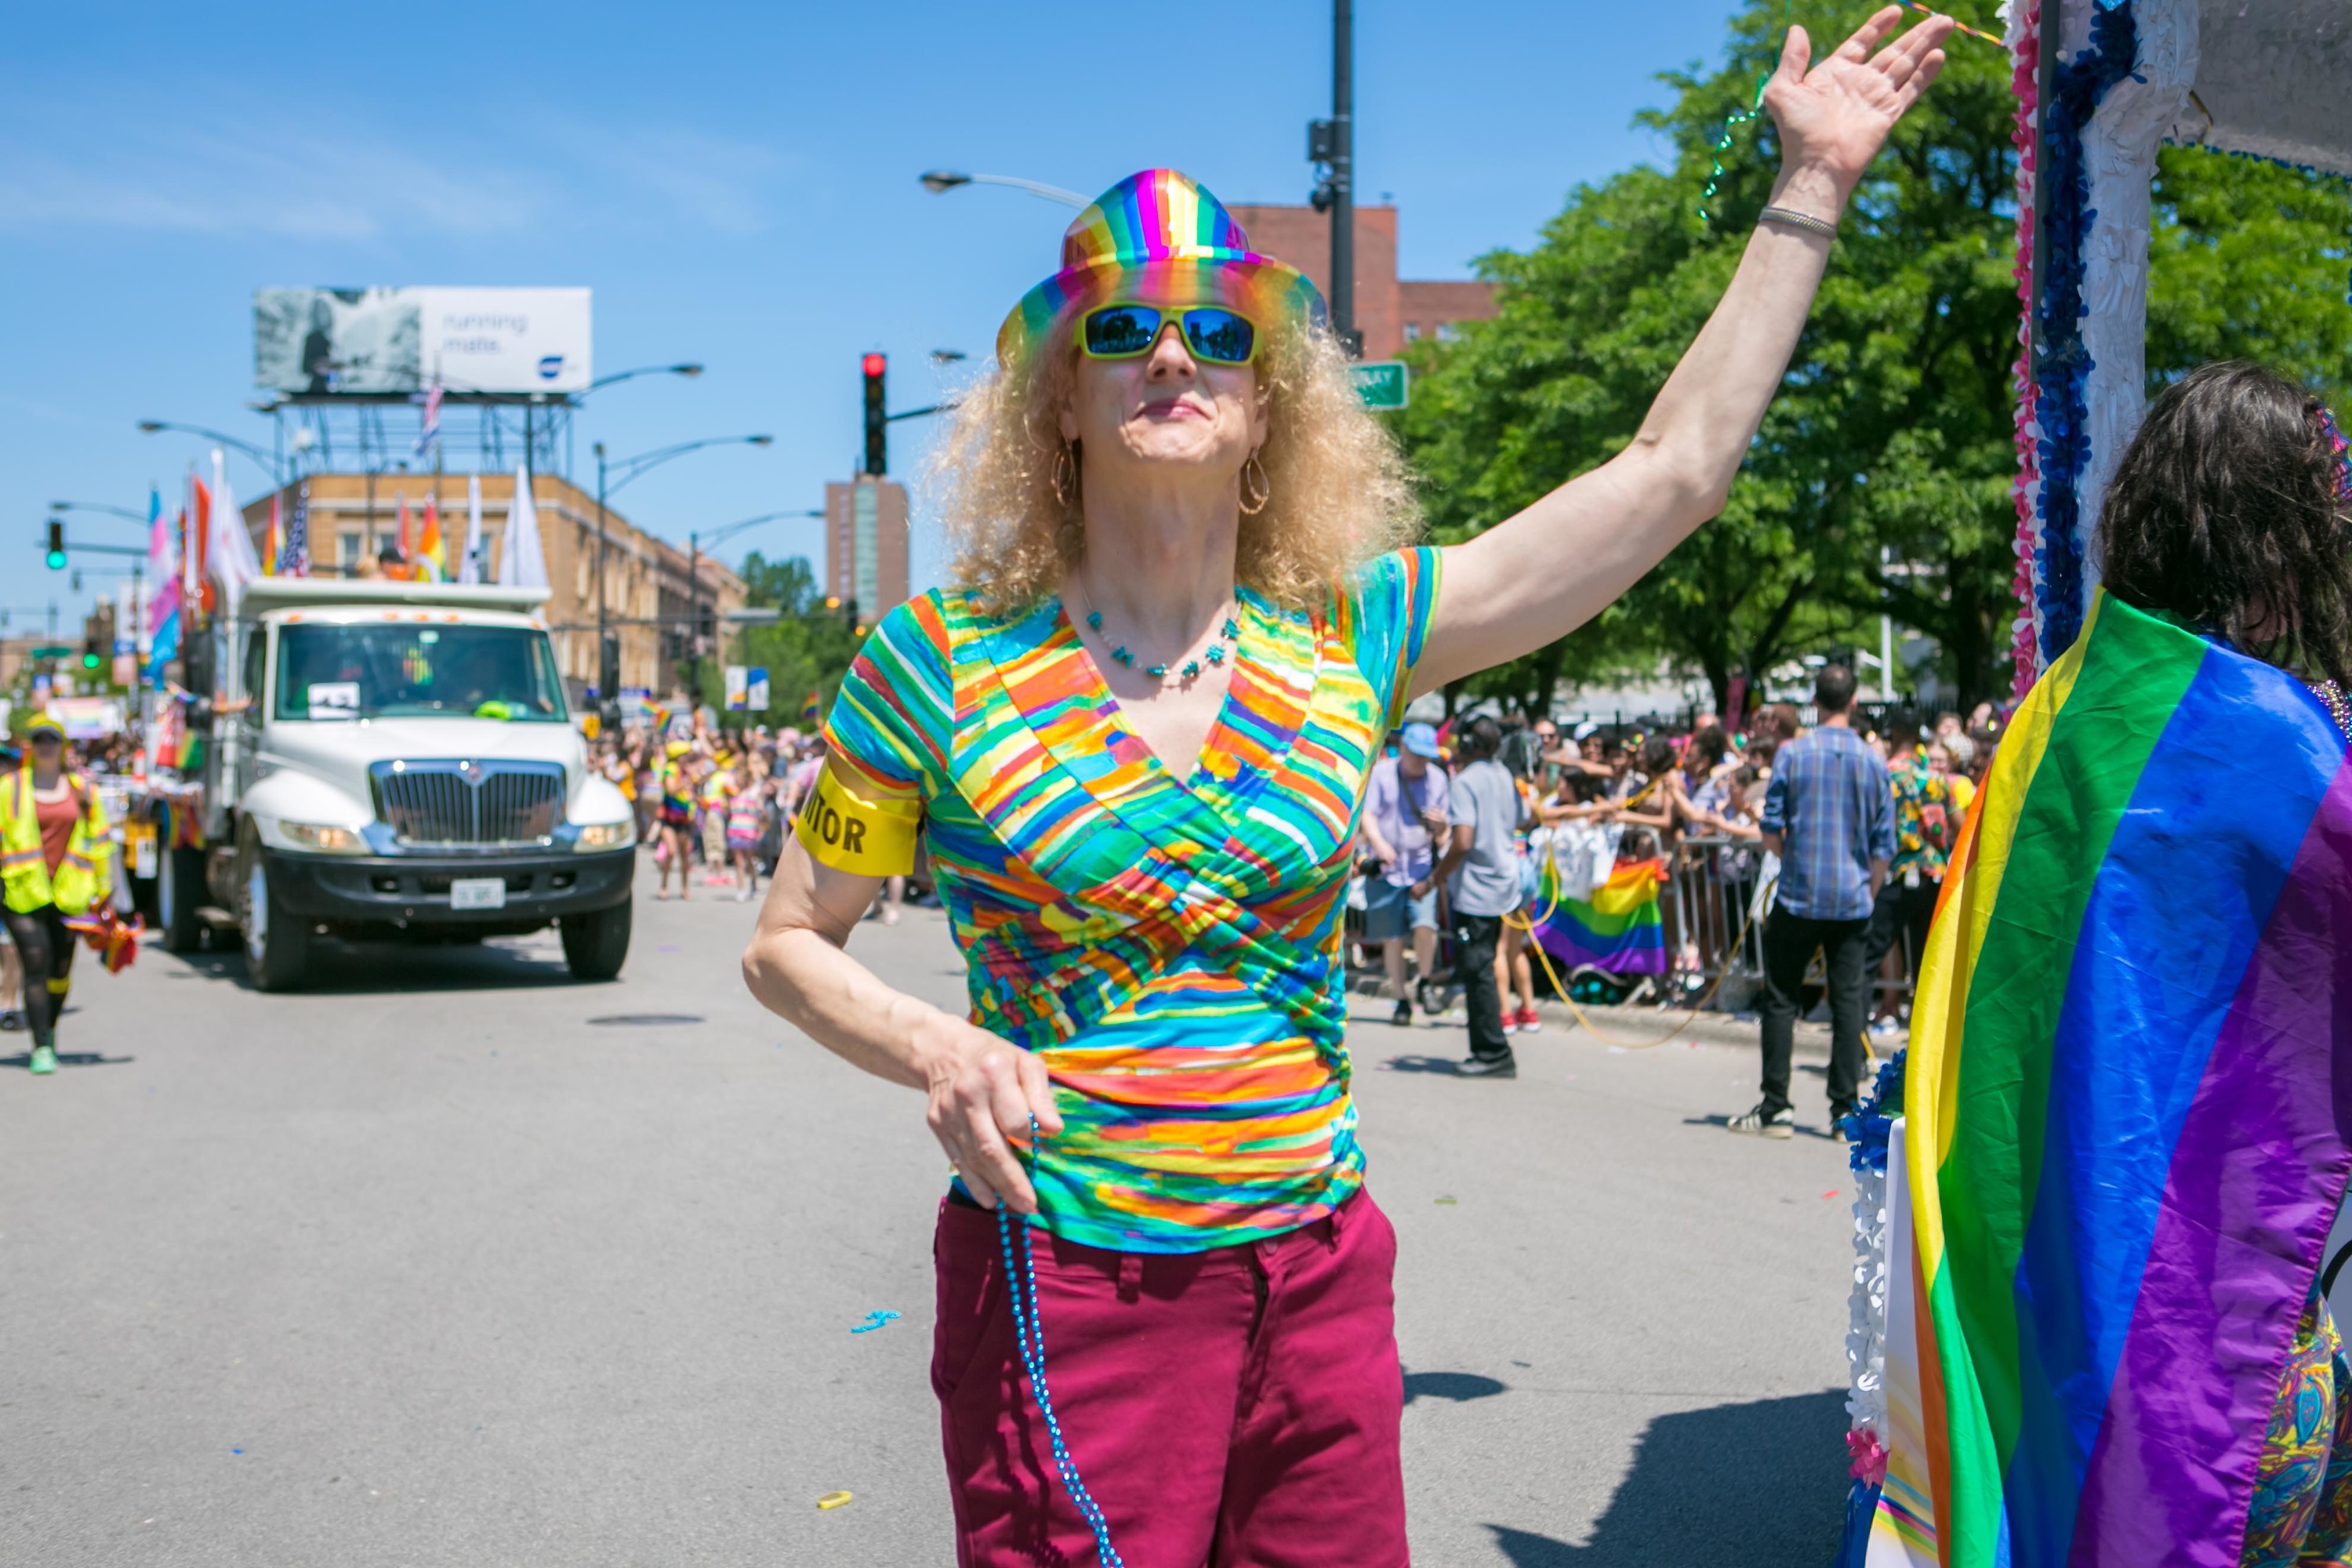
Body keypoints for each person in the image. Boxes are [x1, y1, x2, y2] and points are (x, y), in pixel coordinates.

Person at [739, 26, 1954, 1559]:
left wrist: (1811, 188)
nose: (1172, 357)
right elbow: (788, 941)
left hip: (1314, 1272)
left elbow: (1669, 477)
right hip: (1070, 1277)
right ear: (1059, 396)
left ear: (1266, 401)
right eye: (1122, 331)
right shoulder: (934, 662)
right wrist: (940, 1044)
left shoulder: (1354, 632)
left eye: (1215, 335)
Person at [1730, 662, 1893, 1138]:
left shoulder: (1792, 754)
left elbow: (1771, 828)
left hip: (1800, 894)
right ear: (1855, 702)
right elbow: (1884, 843)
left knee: (1781, 999)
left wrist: (1794, 858)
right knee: (1849, 1004)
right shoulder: (1872, 761)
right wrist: (1869, 890)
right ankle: (1843, 1110)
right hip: (1851, 899)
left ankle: (1776, 1105)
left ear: (1815, 702)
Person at [3, 718, 115, 1076]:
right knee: (35, 960)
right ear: (31, 746)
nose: (46, 745)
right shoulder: (10, 787)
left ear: (63, 745)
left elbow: (99, 842)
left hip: (70, 894)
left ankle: (49, 1029)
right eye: (39, 739)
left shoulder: (82, 790)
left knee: (60, 968)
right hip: (21, 890)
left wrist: (104, 890)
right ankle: (40, 1047)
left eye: (52, 739)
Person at [1433, 715, 1533, 1076]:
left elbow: (1462, 842)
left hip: (1479, 889)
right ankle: (1489, 1050)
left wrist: (1434, 879)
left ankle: (1493, 1054)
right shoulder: (1504, 774)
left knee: (1479, 971)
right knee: (1484, 967)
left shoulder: (1465, 781)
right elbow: (1526, 818)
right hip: (1505, 881)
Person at [1359, 721, 1450, 1025]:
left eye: (1427, 757)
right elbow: (1368, 815)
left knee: (1426, 925)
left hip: (1421, 869)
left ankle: (1424, 981)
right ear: (1404, 750)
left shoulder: (1438, 778)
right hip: (1387, 871)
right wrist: (1378, 843)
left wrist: (1440, 827)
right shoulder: (1383, 773)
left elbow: (1444, 832)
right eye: (1417, 756)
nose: (1422, 763)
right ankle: (1400, 999)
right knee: (1393, 938)